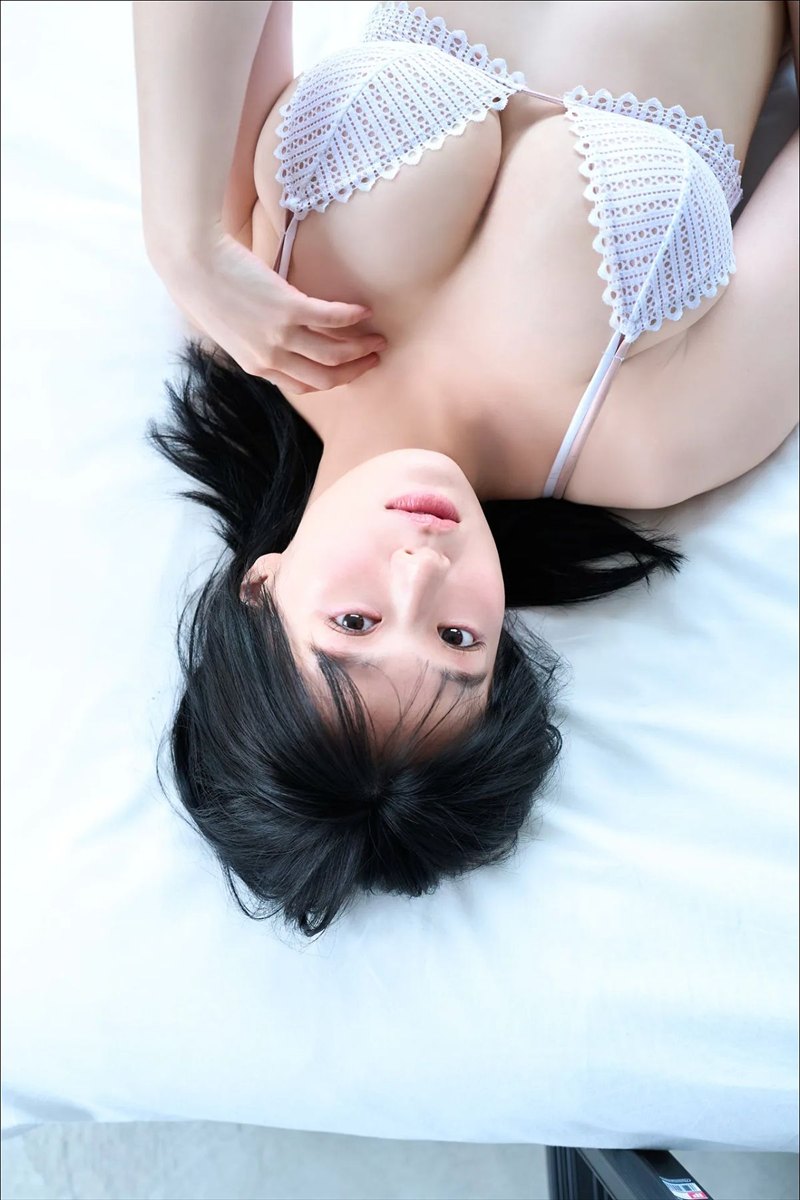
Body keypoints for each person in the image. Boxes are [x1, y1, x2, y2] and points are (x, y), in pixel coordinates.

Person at [133, 1, 799, 937]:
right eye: (456, 641)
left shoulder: (237, 309)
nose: (422, 567)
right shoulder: (660, 441)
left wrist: (183, 241)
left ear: (261, 586)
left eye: (355, 622)